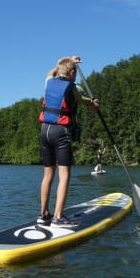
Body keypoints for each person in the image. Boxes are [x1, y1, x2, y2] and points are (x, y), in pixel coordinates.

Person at [38, 55, 99, 227]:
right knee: (64, 174)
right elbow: (87, 103)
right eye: (75, 73)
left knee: (48, 174)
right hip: (60, 132)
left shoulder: (49, 81)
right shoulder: (74, 89)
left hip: (44, 131)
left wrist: (66, 61)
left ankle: (43, 214)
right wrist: (93, 104)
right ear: (72, 72)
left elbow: (51, 71)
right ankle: (58, 217)